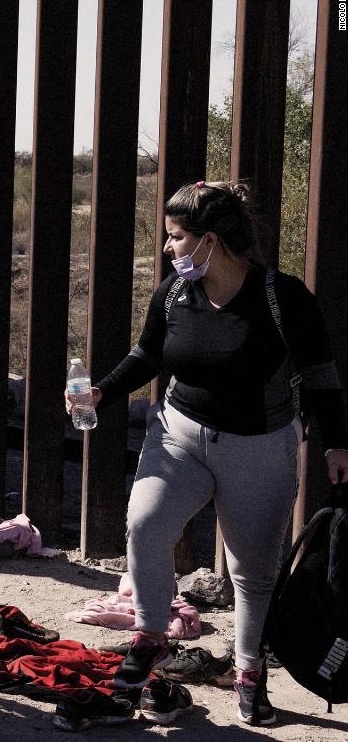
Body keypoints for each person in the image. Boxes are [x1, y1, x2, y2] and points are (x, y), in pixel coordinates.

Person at [73, 180, 348, 726]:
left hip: (260, 447)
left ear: (211, 240)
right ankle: (149, 646)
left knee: (252, 572)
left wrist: (336, 442)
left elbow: (320, 374)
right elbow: (148, 354)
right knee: (146, 527)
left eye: (177, 238)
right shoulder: (175, 292)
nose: (169, 250)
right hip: (178, 436)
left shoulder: (282, 296)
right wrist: (102, 389)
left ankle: (249, 677)